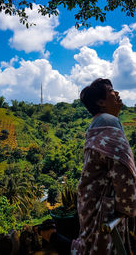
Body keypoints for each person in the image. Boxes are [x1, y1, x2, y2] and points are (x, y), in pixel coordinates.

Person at [40, 78, 136, 255]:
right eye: (112, 91)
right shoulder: (109, 124)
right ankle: (51, 236)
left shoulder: (101, 124)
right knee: (98, 247)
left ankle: (52, 236)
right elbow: (123, 172)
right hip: (103, 207)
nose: (117, 93)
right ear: (101, 102)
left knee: (92, 245)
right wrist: (128, 209)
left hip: (91, 202)